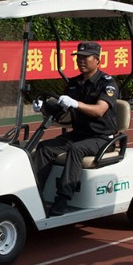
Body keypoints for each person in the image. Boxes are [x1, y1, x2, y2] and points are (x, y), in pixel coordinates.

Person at [35, 40, 121, 216]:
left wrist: (76, 103)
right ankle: (34, 193)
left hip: (102, 138)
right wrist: (44, 107)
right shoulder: (74, 83)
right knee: (44, 148)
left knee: (76, 149)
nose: (81, 60)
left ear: (97, 60)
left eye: (85, 57)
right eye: (78, 57)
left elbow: (99, 110)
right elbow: (63, 112)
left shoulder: (107, 84)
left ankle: (62, 199)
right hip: (79, 134)